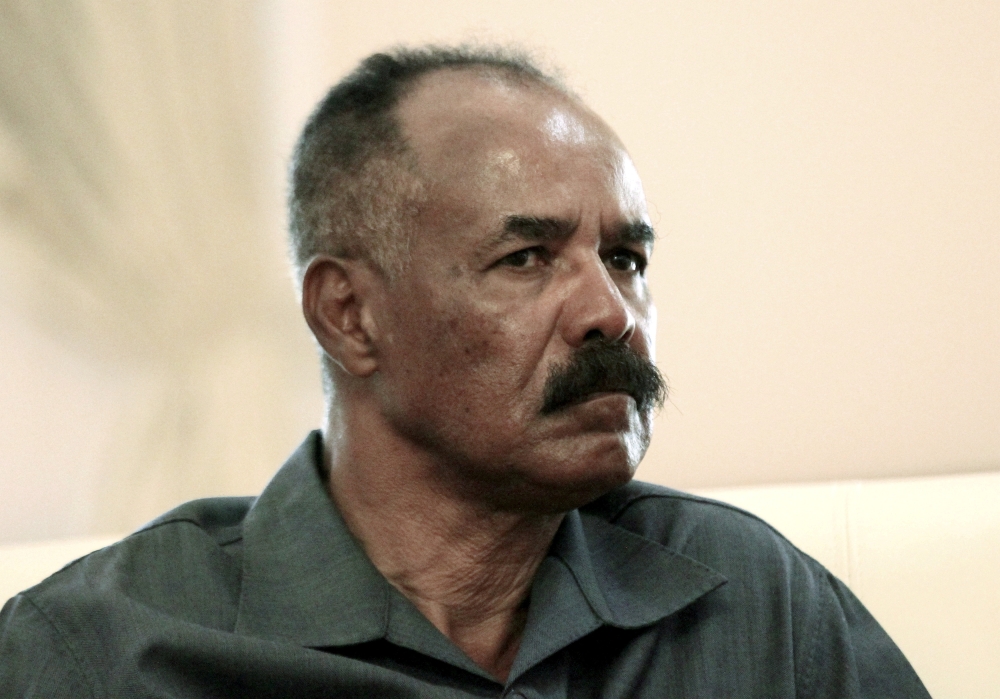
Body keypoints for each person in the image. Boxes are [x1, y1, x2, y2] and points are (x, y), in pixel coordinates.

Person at [0, 46, 930, 698]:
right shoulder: (102, 650)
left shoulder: (750, 602)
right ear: (348, 314)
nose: (610, 308)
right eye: (526, 257)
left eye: (626, 257)